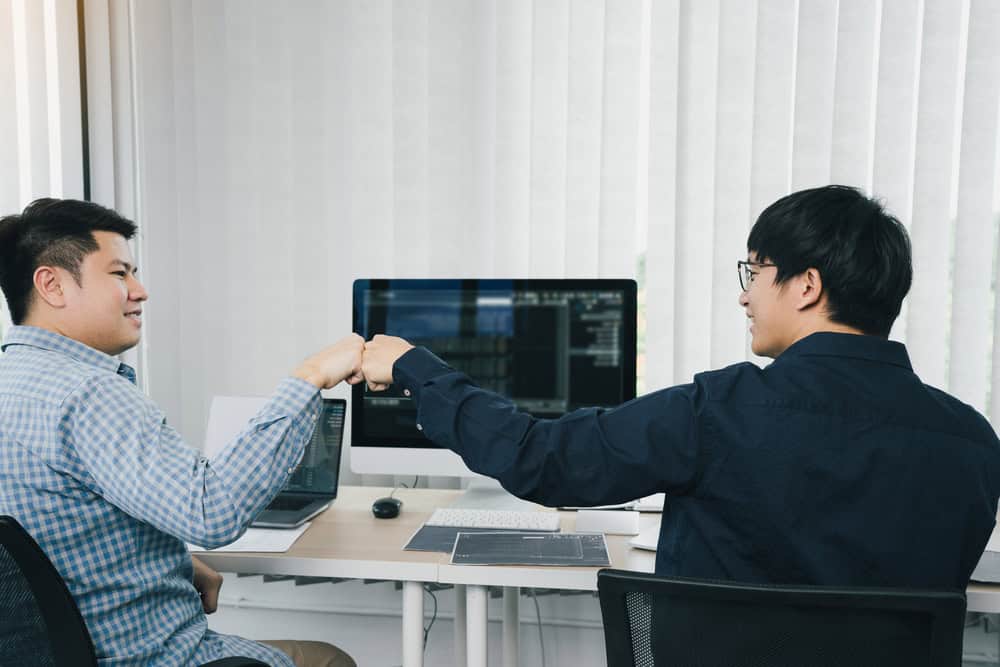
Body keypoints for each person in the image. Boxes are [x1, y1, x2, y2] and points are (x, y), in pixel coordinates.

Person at [362, 184, 1000, 590]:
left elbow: (543, 458)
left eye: (756, 271)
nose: (744, 295)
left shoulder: (719, 411)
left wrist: (415, 366)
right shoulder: (973, 443)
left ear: (806, 285)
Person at [0, 198, 358, 667]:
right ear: (52, 284)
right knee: (329, 659)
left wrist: (175, 563)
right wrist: (311, 377)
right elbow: (212, 512)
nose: (140, 291)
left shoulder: (14, 382)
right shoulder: (87, 394)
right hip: (156, 657)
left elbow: (48, 532)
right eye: (120, 273)